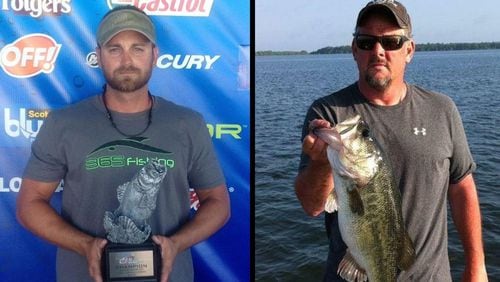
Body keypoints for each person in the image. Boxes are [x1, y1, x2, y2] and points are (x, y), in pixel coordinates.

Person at [16, 5, 230, 282]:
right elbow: (29, 204)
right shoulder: (63, 123)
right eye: (115, 49)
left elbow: (218, 203)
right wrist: (84, 245)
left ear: (154, 56)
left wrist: (177, 243)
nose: (126, 60)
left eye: (138, 48)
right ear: (99, 57)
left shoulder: (188, 123)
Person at [294, 1, 488, 281]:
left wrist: (476, 266)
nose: (378, 52)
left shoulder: (442, 109)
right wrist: (322, 163)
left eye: (392, 41)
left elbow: (461, 186)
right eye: (366, 42)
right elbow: (312, 206)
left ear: (409, 50)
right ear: (354, 50)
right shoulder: (328, 113)